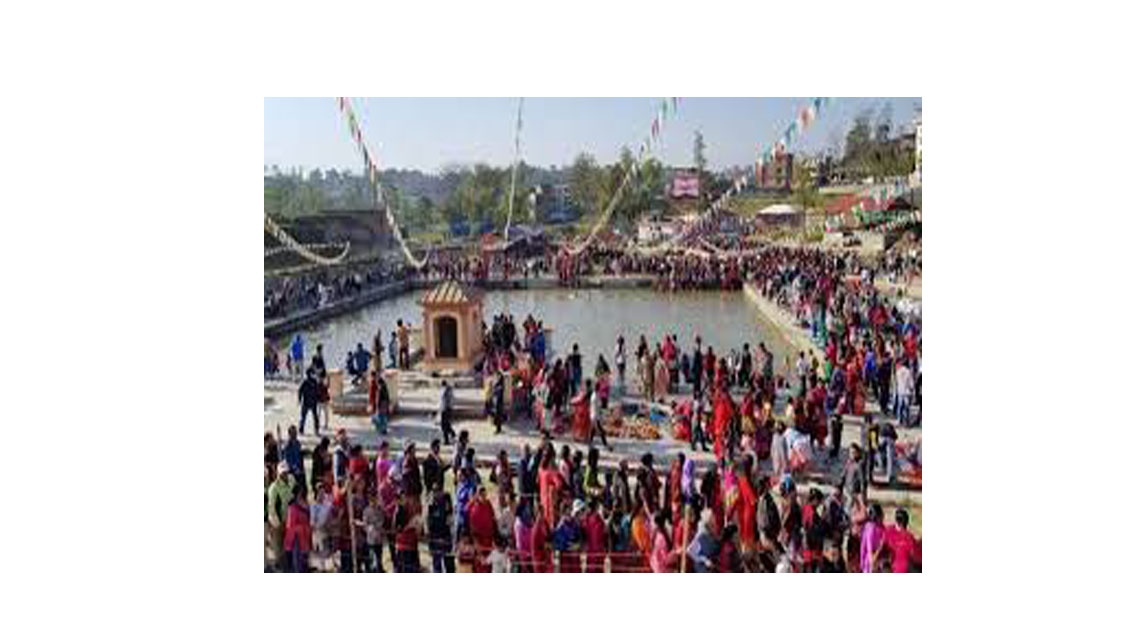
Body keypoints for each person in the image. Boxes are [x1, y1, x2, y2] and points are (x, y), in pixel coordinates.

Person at [266, 462, 295, 571]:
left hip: (290, 520)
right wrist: (278, 524)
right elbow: (271, 508)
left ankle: (288, 566)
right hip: (278, 522)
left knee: (288, 546)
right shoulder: (273, 488)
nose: (284, 475)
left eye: (286, 472)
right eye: (282, 473)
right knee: (279, 547)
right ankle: (281, 568)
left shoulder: (292, 480)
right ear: (278, 473)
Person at [427, 482, 455, 573]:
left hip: (445, 535)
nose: (436, 493)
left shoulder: (447, 500)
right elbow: (429, 523)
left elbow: (450, 519)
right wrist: (430, 541)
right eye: (434, 491)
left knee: (449, 563)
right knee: (436, 564)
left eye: (438, 491)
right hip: (435, 537)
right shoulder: (431, 504)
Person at [284, 487, 312, 573]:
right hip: (296, 535)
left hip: (305, 533)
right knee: (297, 557)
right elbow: (290, 523)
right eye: (299, 493)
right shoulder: (292, 507)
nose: (301, 494)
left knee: (304, 556)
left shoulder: (305, 503)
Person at [884, 508, 921, 573]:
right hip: (904, 569)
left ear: (896, 520)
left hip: (890, 568)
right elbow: (916, 556)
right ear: (907, 522)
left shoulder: (888, 531)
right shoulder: (909, 537)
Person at [860, 502, 887, 573]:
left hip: (878, 563)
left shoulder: (880, 526)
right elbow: (871, 556)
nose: (883, 515)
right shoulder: (871, 529)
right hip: (871, 566)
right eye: (882, 513)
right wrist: (880, 546)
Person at [586, 379, 612, 450]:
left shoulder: (594, 395)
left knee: (593, 430)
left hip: (593, 415)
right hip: (596, 416)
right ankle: (605, 444)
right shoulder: (596, 396)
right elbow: (600, 406)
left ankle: (590, 443)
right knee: (601, 431)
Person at [298, 369, 321, 435]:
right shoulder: (305, 382)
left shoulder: (314, 382)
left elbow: (317, 391)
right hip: (307, 402)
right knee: (303, 417)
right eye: (312, 373)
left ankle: (316, 429)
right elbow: (300, 391)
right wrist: (300, 399)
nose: (313, 375)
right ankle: (301, 429)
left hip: (313, 402)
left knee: (314, 417)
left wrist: (318, 398)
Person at [439, 380, 456, 444]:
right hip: (446, 409)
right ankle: (452, 434)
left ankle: (447, 439)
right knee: (446, 425)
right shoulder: (447, 390)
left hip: (445, 409)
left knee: (444, 425)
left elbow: (446, 401)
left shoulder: (446, 391)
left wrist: (445, 409)